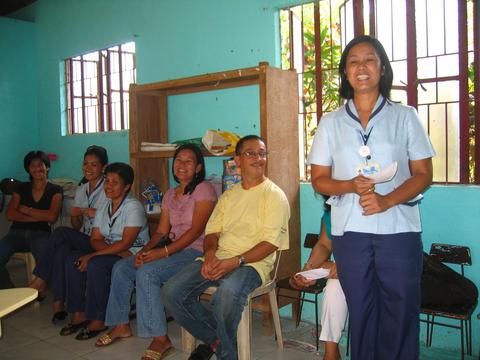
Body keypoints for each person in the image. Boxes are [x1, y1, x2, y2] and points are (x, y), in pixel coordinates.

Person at [307, 35, 435, 359]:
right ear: (345, 72)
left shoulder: (405, 116)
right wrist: (350, 185)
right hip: (350, 230)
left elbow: (423, 173)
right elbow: (319, 180)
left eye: (369, 59)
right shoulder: (330, 122)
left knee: (401, 309)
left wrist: (387, 199)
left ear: (382, 69)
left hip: (399, 228)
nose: (361, 67)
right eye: (353, 61)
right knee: (362, 312)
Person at [162, 135, 290, 360]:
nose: (258, 158)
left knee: (225, 295)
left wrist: (237, 261)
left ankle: (226, 354)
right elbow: (212, 233)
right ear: (237, 160)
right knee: (172, 292)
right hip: (219, 257)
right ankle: (216, 338)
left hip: (252, 264)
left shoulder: (274, 196)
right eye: (250, 153)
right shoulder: (228, 196)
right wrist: (210, 254)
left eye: (262, 153)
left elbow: (271, 244)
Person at [95, 144, 217, 360]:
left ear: (198, 167)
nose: (182, 165)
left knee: (148, 273)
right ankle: (120, 324)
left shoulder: (204, 189)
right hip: (171, 249)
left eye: (189, 161)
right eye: (178, 160)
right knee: (123, 267)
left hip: (195, 251)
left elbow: (196, 230)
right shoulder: (170, 193)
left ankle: (160, 338)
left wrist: (163, 253)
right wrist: (144, 252)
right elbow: (161, 231)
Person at [60, 162, 149, 340]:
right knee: (73, 260)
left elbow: (126, 243)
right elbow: (95, 239)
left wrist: (95, 255)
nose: (108, 186)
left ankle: (99, 318)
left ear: (127, 187)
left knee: (95, 264)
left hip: (133, 254)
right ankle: (80, 312)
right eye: (107, 181)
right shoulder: (104, 207)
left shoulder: (133, 207)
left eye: (115, 182)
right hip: (115, 251)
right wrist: (110, 251)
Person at [29, 145, 108, 323]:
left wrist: (95, 213)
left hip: (102, 239)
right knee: (62, 250)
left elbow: (114, 217)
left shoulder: (109, 188)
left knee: (60, 232)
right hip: (86, 236)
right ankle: (61, 304)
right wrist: (76, 216)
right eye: (85, 164)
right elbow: (77, 225)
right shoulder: (81, 189)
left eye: (94, 165)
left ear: (103, 167)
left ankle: (41, 280)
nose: (88, 168)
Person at [290, 198, 347, 360]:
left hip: (375, 269)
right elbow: (324, 245)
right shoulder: (332, 212)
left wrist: (348, 263)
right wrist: (307, 269)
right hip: (343, 271)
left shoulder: (368, 204)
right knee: (332, 289)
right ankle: (330, 354)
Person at [0, 151, 63, 289]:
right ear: (28, 169)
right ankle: (9, 289)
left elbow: (52, 217)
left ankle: (43, 290)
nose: (37, 169)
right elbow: (10, 214)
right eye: (32, 166)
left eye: (40, 165)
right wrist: (39, 216)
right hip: (15, 234)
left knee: (45, 258)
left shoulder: (56, 190)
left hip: (41, 234)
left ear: (47, 167)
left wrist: (26, 210)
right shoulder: (21, 187)